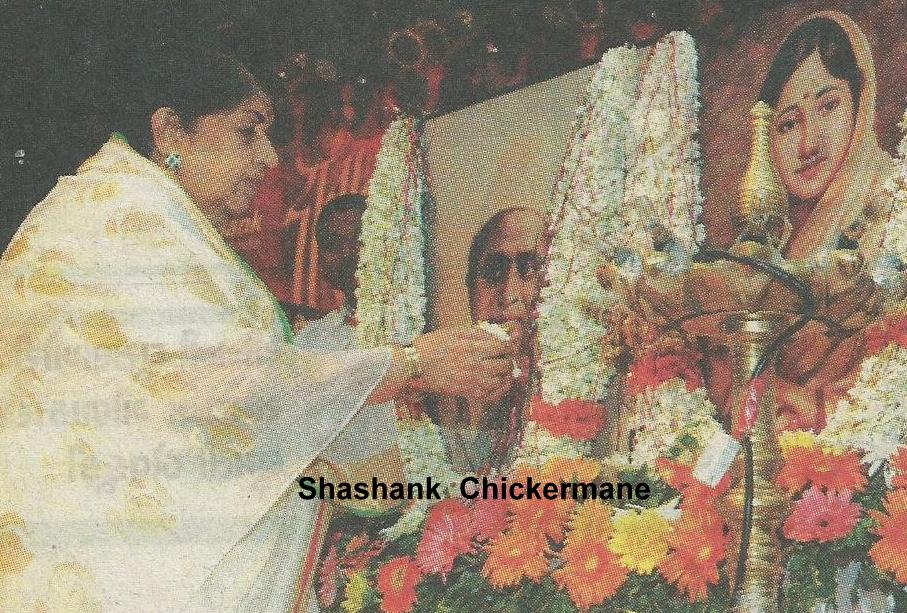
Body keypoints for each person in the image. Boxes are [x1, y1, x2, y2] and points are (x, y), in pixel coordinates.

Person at [0, 46, 516, 613]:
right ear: (171, 131)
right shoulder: (120, 223)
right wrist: (414, 364)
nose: (269, 157)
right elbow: (227, 383)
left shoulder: (119, 207)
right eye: (248, 133)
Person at [707, 11, 899, 432]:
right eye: (788, 124)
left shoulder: (894, 215)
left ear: (859, 103)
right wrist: (776, 394)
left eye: (828, 106)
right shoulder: (762, 244)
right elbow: (717, 360)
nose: (808, 143)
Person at [441, 206, 547, 473]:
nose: (509, 294)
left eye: (530, 270)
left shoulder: (592, 382)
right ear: (470, 289)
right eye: (493, 272)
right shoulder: (442, 388)